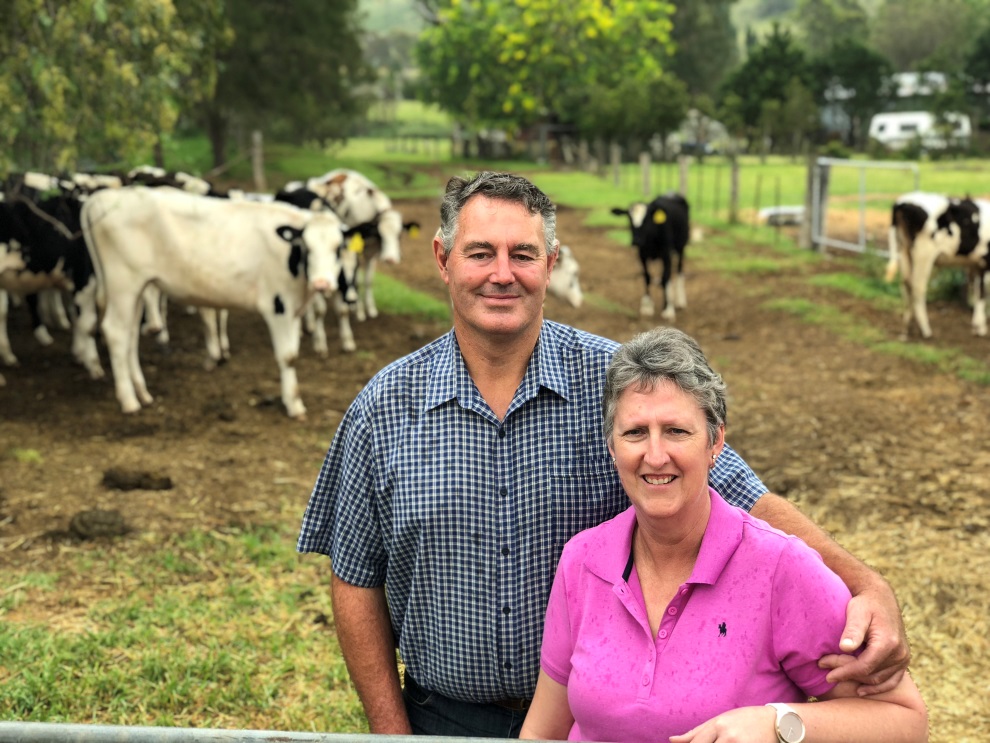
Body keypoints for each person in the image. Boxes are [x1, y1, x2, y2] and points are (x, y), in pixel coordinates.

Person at [296, 171, 910, 738]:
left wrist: (864, 583)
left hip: (594, 718)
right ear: (443, 258)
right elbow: (355, 577)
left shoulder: (619, 386)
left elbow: (743, 497)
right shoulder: (383, 407)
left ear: (553, 262)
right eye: (481, 253)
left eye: (524, 255)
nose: (502, 273)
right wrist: (392, 734)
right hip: (443, 717)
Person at [518, 327, 927, 743]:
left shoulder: (781, 568)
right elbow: (542, 731)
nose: (655, 456)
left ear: (716, 442)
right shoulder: (583, 560)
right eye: (635, 432)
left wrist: (779, 722)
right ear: (611, 446)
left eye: (677, 431)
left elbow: (904, 722)